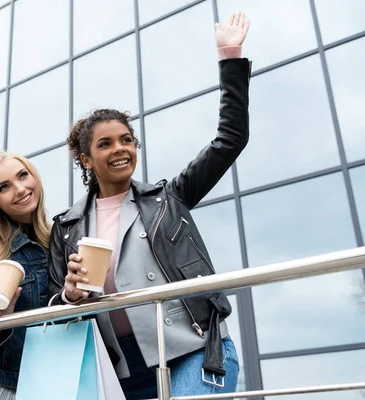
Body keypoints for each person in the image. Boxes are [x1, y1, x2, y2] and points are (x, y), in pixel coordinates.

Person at [48, 12, 251, 399]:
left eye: (126, 140)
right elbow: (57, 305)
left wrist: (230, 57)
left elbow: (231, 138)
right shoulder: (67, 227)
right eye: (105, 144)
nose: (120, 149)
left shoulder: (169, 198)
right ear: (86, 160)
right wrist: (70, 296)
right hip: (122, 369)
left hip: (193, 348)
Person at [0, 150, 52, 398]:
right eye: (4, 187)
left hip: (61, 374)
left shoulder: (58, 238)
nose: (20, 189)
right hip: (8, 385)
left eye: (23, 176)